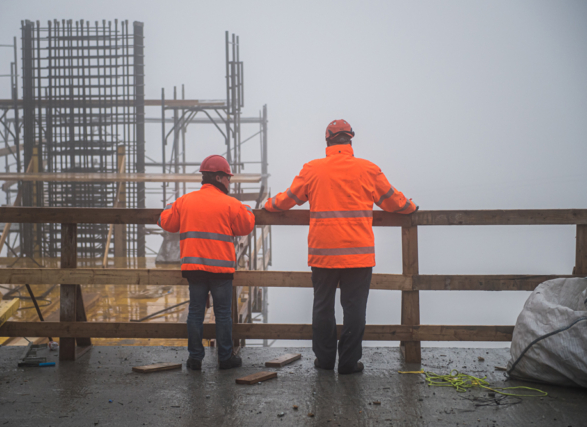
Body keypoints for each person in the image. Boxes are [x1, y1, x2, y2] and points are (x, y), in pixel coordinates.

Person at [265, 119, 417, 374]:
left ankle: (324, 361)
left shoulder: (313, 169)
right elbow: (393, 201)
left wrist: (268, 206)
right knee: (355, 310)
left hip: (323, 255)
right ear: (350, 140)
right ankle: (348, 362)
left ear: (327, 141)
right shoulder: (368, 169)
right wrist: (411, 208)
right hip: (359, 255)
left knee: (322, 308)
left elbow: (287, 199)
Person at [159, 154, 255, 370]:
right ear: (220, 178)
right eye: (228, 178)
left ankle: (195, 358)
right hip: (221, 269)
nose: (230, 182)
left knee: (195, 312)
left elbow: (167, 222)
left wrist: (167, 207)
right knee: (223, 314)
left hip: (194, 267)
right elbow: (246, 226)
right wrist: (247, 209)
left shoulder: (185, 201)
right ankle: (225, 358)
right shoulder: (231, 204)